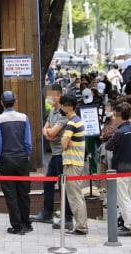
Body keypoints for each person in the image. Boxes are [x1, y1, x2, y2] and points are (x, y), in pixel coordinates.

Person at [30, 84, 73, 230]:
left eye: (51, 94)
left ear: (59, 95)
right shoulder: (52, 110)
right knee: (48, 183)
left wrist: (49, 133)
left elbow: (52, 133)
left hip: (63, 155)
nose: (48, 97)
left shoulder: (62, 112)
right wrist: (48, 133)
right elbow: (45, 130)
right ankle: (47, 213)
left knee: (63, 186)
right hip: (55, 155)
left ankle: (67, 218)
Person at [0, 91, 32, 235]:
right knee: (24, 192)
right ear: (15, 102)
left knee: (10, 194)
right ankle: (27, 223)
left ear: (1, 102)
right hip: (22, 158)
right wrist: (27, 154)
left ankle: (17, 226)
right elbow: (27, 140)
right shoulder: (24, 117)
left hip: (6, 159)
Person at [105, 102, 131, 236]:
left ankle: (129, 224)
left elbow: (108, 145)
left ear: (118, 115)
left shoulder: (120, 132)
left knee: (123, 198)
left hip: (121, 168)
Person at [60, 95, 88, 235]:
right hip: (77, 162)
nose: (61, 108)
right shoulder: (78, 121)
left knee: (75, 196)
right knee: (77, 195)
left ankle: (81, 226)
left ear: (67, 106)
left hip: (72, 164)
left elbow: (64, 143)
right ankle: (81, 225)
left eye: (62, 105)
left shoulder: (72, 123)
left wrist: (66, 141)